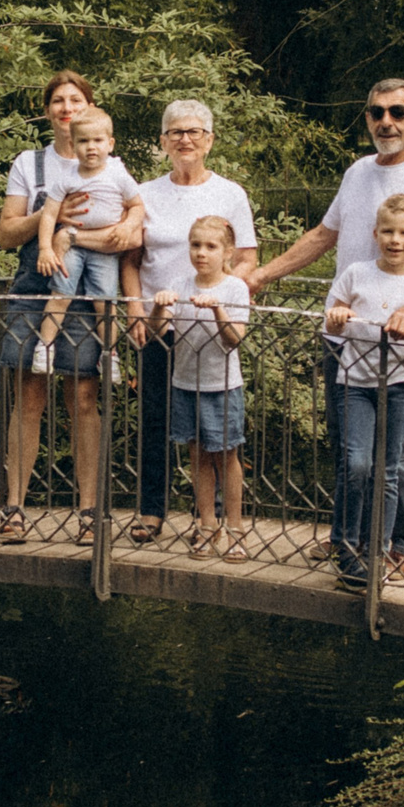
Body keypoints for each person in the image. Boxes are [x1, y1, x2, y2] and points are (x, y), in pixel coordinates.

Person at [237, 77, 404, 557]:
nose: (386, 122)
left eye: (397, 112)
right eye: (377, 112)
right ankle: (347, 539)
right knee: (349, 449)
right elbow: (322, 235)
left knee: (399, 452)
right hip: (344, 334)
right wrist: (258, 277)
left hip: (396, 340)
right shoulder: (357, 173)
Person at [0, 72, 143, 545]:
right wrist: (51, 216)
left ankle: (89, 512)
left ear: (90, 109)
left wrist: (124, 220)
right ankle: (14, 507)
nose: (66, 107)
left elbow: (131, 228)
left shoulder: (110, 165)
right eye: (57, 100)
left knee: (83, 399)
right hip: (36, 285)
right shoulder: (30, 164)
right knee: (29, 395)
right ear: (47, 111)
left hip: (90, 291)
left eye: (75, 99)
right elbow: (6, 233)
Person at [120, 99, 259, 544]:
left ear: (210, 140)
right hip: (159, 322)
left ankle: (220, 521)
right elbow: (132, 258)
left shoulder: (230, 193)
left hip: (210, 329)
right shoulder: (146, 193)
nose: (185, 139)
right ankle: (152, 511)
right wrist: (136, 308)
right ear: (162, 141)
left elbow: (248, 258)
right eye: (176, 132)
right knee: (156, 419)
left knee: (216, 431)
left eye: (195, 131)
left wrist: (217, 297)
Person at [323, 193, 404, 590]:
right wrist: (337, 317)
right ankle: (346, 545)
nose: (395, 240)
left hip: (399, 387)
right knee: (355, 464)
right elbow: (331, 325)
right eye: (388, 231)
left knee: (388, 472)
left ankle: (376, 551)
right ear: (375, 234)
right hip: (354, 384)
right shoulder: (356, 273)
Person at [150, 215, 253, 559]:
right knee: (197, 456)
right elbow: (156, 331)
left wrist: (218, 309)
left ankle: (235, 528)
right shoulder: (179, 282)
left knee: (226, 456)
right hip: (185, 383)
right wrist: (158, 305)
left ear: (227, 252)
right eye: (196, 245)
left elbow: (235, 338)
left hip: (221, 386)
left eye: (210, 246)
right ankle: (207, 524)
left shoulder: (235, 287)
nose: (201, 253)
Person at [27, 109, 143, 376]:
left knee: (105, 301)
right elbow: (49, 213)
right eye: (83, 141)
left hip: (104, 248)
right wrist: (45, 247)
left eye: (98, 141)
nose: (91, 147)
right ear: (74, 144)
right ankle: (45, 347)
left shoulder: (118, 174)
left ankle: (109, 353)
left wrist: (127, 225)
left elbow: (137, 205)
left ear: (110, 144)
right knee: (61, 295)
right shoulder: (68, 176)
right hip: (71, 246)